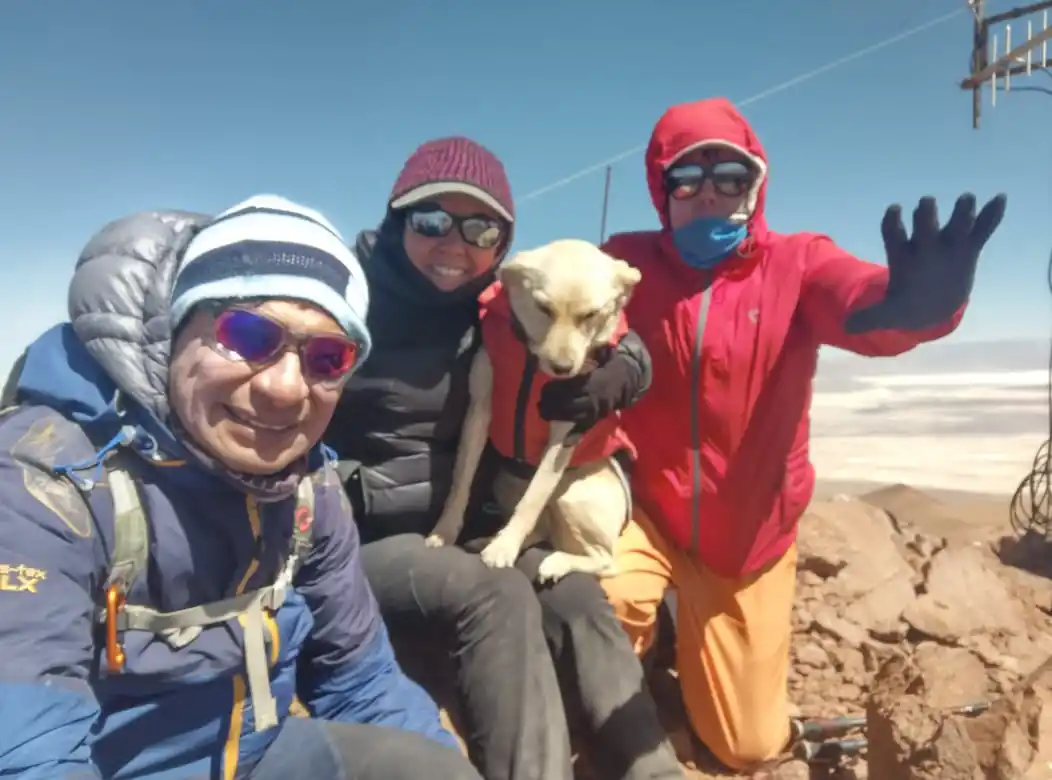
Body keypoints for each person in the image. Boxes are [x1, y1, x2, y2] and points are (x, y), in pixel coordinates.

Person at [0, 196, 484, 780]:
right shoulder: (50, 481)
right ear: (175, 331)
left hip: (253, 755)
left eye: (328, 357)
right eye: (249, 334)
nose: (286, 388)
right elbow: (28, 751)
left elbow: (359, 680)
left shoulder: (307, 488)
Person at [599, 97, 1007, 772]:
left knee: (747, 745)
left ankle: (691, 632)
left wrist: (916, 307)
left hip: (746, 538)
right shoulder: (625, 266)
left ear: (756, 185)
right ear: (660, 190)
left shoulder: (795, 263)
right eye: (686, 179)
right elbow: (540, 300)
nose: (708, 195)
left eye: (730, 176)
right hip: (646, 515)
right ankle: (637, 665)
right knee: (600, 602)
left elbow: (858, 304)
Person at [323, 136, 683, 780]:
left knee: (577, 599)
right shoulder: (343, 299)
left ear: (502, 246)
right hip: (376, 530)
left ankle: (652, 770)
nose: (455, 245)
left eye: (480, 227)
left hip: (481, 518)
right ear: (396, 220)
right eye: (430, 220)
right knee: (495, 594)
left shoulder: (505, 301)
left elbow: (603, 324)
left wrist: (628, 365)